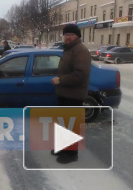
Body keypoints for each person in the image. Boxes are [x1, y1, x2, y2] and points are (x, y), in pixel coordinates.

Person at [51, 24, 91, 164]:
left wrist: (60, 80)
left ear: (77, 36)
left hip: (74, 95)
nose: (67, 37)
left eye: (71, 34)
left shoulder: (80, 50)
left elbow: (81, 74)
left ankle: (72, 154)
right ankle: (63, 148)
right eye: (66, 34)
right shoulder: (69, 49)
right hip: (65, 93)